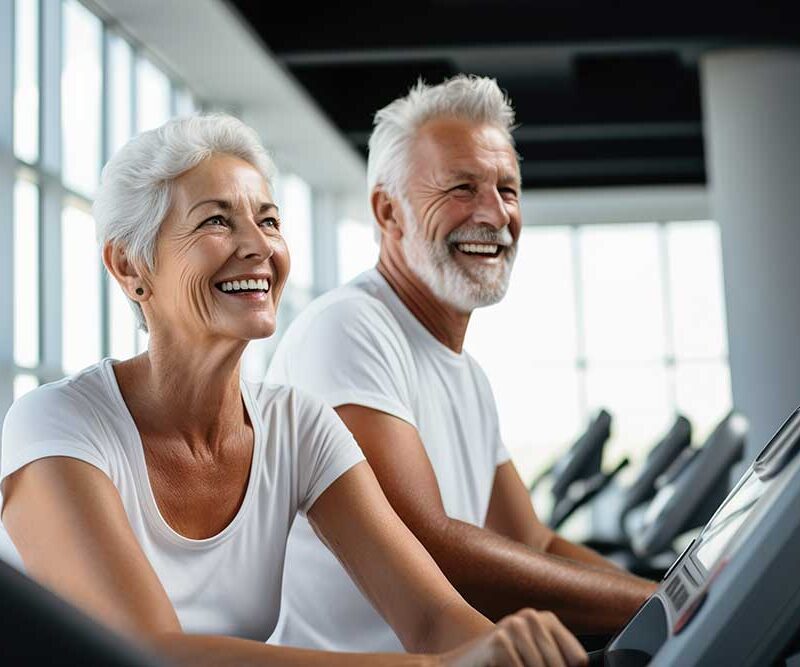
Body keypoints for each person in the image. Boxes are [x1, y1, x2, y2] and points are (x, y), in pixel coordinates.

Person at [0, 114, 587, 667]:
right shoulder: (56, 424)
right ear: (130, 266)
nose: (259, 246)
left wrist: (504, 652)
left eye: (269, 220)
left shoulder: (298, 426)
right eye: (216, 220)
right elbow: (148, 654)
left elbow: (434, 618)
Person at [266, 76, 658, 654]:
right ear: (388, 210)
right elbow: (432, 547)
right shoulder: (348, 329)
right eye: (461, 188)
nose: (494, 213)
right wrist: (659, 604)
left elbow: (533, 544)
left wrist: (672, 596)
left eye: (508, 189)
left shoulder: (466, 373)